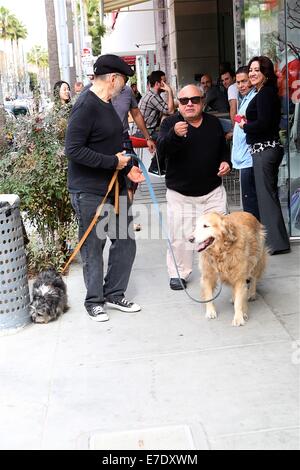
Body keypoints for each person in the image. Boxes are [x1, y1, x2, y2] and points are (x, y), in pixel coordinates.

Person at [65, 54, 145, 322]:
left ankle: (114, 292)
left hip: (115, 187)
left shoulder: (107, 103)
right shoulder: (85, 105)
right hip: (89, 191)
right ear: (113, 79)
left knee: (125, 242)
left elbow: (112, 143)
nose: (124, 88)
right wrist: (113, 162)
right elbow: (73, 150)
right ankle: (94, 301)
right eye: (123, 81)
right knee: (93, 247)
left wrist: (127, 166)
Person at [156, 84, 232, 290]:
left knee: (219, 233)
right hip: (181, 193)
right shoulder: (170, 124)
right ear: (178, 105)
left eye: (195, 100)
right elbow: (160, 151)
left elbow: (223, 150)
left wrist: (226, 162)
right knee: (181, 236)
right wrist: (174, 135)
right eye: (184, 101)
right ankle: (179, 273)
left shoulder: (214, 123)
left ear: (202, 102)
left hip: (212, 191)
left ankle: (222, 269)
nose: (189, 104)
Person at [239, 56, 290, 255]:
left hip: (265, 151)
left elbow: (264, 124)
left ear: (265, 74)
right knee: (268, 196)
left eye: (256, 70)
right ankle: (277, 241)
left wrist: (245, 125)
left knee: (266, 197)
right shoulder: (262, 92)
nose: (251, 73)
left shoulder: (265, 93)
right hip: (264, 150)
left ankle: (275, 244)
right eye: (250, 69)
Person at [132, 70, 175, 175]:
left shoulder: (151, 94)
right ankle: (155, 166)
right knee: (168, 137)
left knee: (168, 132)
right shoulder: (153, 97)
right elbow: (170, 110)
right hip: (142, 133)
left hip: (143, 131)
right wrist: (170, 91)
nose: (166, 84)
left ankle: (162, 165)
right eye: (164, 82)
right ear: (157, 84)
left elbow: (167, 109)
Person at [231, 66, 259, 219]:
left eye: (244, 81)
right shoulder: (245, 99)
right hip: (243, 158)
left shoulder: (254, 99)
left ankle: (254, 238)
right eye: (238, 82)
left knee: (250, 205)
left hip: (249, 159)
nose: (240, 85)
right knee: (249, 202)